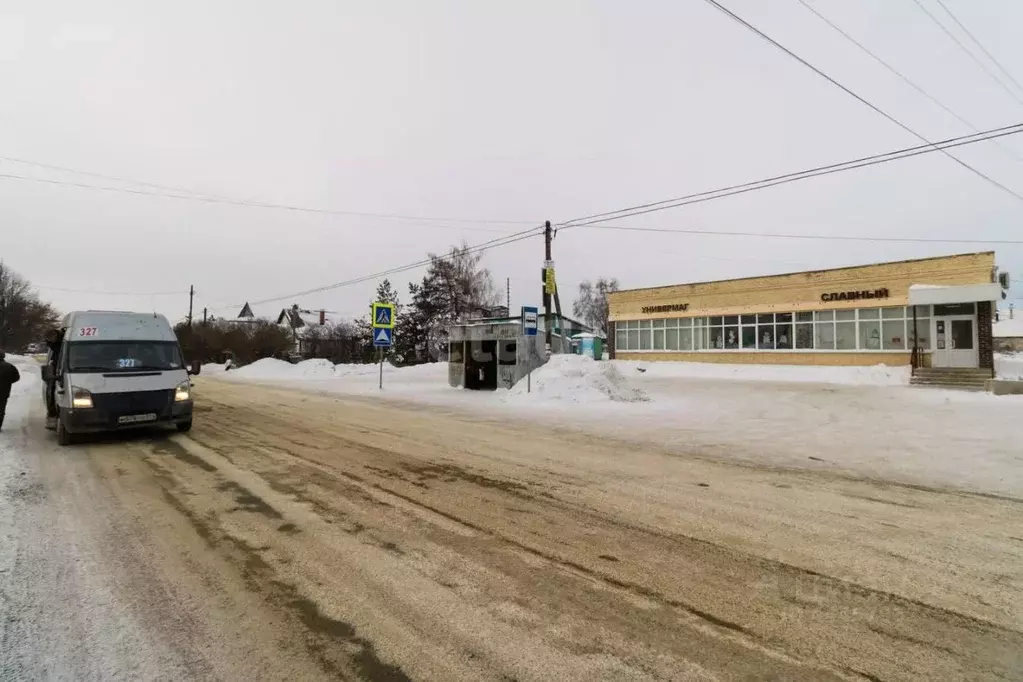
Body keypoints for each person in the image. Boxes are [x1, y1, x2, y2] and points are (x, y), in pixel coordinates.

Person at [0, 351, 22, 432]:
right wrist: (7, 382)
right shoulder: (9, 366)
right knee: (1, 409)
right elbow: (16, 377)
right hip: (3, 392)